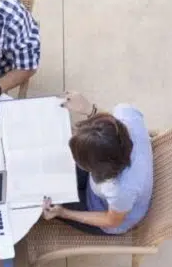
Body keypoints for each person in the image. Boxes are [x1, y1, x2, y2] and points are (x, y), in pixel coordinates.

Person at [42, 92, 154, 235]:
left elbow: (111, 221)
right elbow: (110, 124)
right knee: (50, 166)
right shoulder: (126, 114)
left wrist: (63, 212)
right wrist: (90, 110)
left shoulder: (121, 190)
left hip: (102, 211)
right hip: (103, 187)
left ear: (97, 169)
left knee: (42, 197)